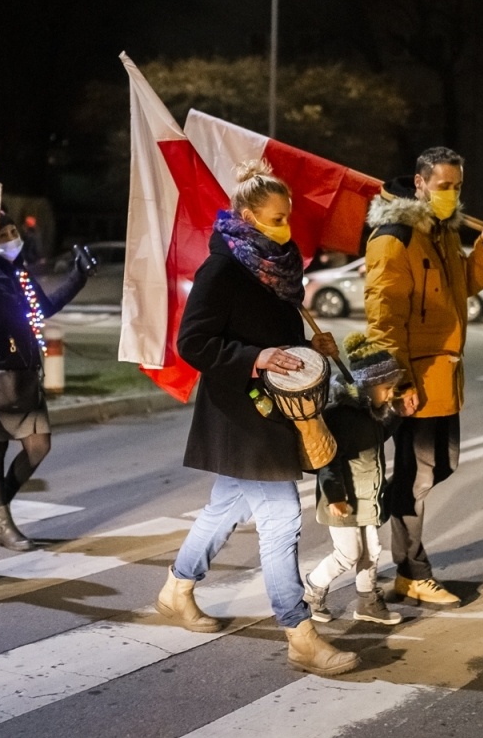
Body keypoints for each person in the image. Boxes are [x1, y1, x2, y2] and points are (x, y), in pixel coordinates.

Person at [152, 159, 356, 677]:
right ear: (246, 215)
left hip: (271, 411)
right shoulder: (222, 268)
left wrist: (308, 348)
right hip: (239, 412)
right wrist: (257, 358)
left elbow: (275, 333)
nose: (285, 226)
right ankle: (299, 633)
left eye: (287, 217)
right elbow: (193, 342)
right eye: (275, 217)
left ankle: (177, 588)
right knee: (281, 517)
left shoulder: (279, 267)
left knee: (224, 509)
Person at [363, 146, 483, 608]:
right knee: (415, 477)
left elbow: (463, 285)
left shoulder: (442, 231)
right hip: (416, 380)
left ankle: (388, 538)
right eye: (443, 186)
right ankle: (410, 570)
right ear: (420, 181)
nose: (451, 195)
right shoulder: (396, 237)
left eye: (458, 187)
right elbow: (382, 316)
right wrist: (396, 382)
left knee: (434, 467)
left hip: (445, 376)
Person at [0, 213, 95, 551]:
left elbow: (41, 309)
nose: (13, 238)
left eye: (14, 231)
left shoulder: (18, 271)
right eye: (3, 234)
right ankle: (3, 526)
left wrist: (79, 276)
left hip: (24, 375)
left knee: (39, 445)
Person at [301, 332, 406, 626]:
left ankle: (368, 602)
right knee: (348, 554)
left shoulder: (370, 411)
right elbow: (328, 458)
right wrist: (335, 495)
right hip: (344, 499)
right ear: (368, 384)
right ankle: (312, 590)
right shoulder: (342, 415)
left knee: (371, 550)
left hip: (367, 495)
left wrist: (396, 415)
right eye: (386, 388)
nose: (389, 395)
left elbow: (376, 438)